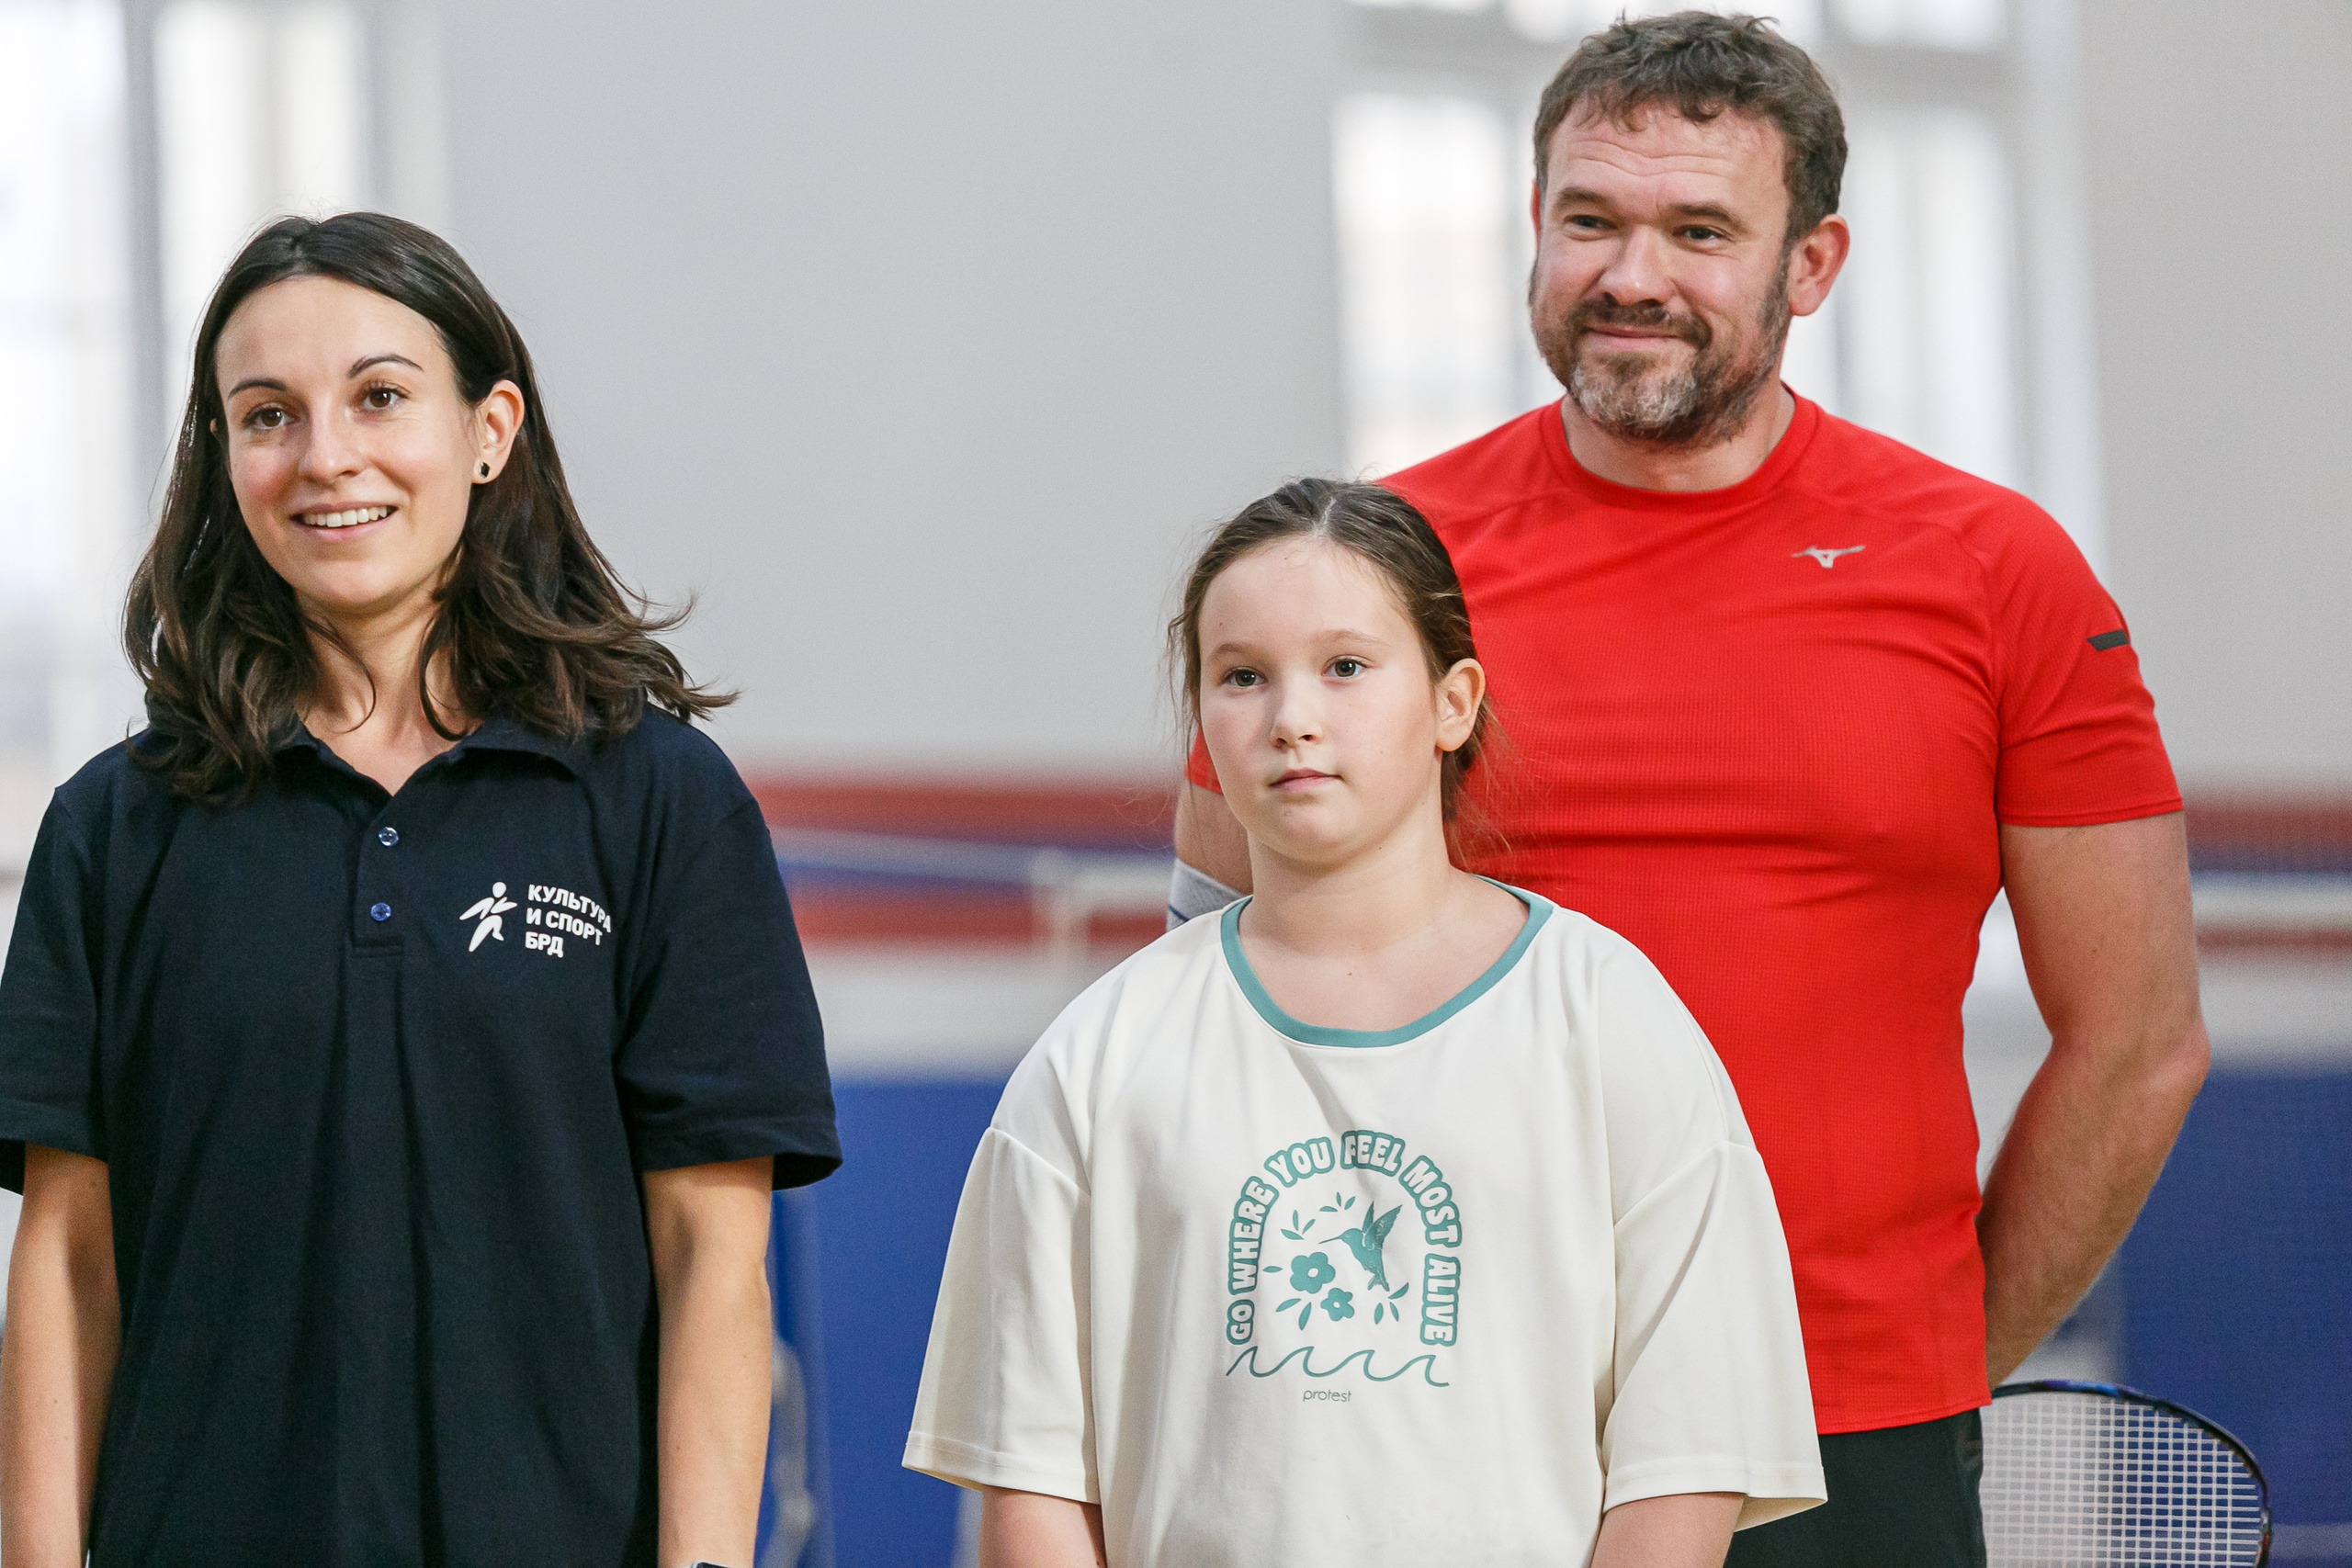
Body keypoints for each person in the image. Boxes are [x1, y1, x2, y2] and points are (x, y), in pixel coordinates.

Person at [1170, 16, 2209, 1567]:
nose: (1632, 274)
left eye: (1700, 231)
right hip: (1446, 1413)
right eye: (1590, 219)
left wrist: (1942, 1358)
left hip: (1853, 1426)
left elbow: (2139, 1039)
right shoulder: (1369, 574)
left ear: (1813, 262)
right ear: (1536, 227)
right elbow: (1216, 1005)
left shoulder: (1999, 573)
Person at [0, 212, 839, 1567]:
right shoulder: (115, 827)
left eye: (381, 396)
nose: (326, 456)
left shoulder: (658, 804)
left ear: (488, 429)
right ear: (224, 460)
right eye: (266, 415)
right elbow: (68, 1263)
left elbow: (709, 1259)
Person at [907, 479, 1826, 1567]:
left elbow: (1686, 1459)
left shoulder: (1608, 1019)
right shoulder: (1098, 1055)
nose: (1292, 716)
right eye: (1240, 676)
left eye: (1344, 666)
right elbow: (1036, 1486)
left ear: (1453, 703)